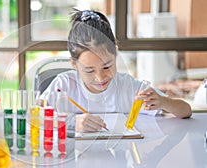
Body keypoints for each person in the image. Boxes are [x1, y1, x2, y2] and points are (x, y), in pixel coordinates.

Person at [41, 9, 192, 132]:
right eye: (89, 70)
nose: (100, 78)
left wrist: (164, 102)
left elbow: (186, 111)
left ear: (116, 53)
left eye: (107, 66)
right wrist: (72, 122)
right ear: (74, 64)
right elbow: (34, 117)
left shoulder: (128, 87)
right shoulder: (64, 85)